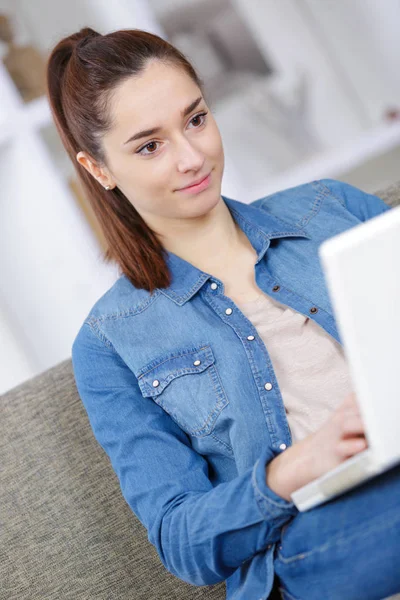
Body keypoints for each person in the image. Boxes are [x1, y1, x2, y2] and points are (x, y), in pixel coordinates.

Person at [46, 27, 400, 600]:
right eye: (149, 146)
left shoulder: (330, 208)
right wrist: (296, 467)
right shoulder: (110, 342)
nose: (192, 157)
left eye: (195, 120)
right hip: (308, 543)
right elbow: (181, 541)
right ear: (98, 169)